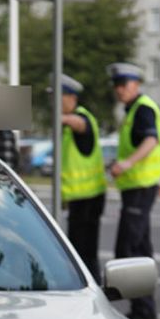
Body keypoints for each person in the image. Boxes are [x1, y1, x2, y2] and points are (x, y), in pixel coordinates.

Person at [107, 62, 160, 319]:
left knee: (128, 249)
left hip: (141, 187)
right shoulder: (135, 110)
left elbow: (153, 140)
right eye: (117, 86)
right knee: (141, 249)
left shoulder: (142, 109)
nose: (120, 90)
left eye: (124, 85)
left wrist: (127, 163)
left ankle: (141, 309)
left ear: (136, 85)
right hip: (138, 187)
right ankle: (144, 311)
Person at [56, 74, 107, 282]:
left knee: (84, 253)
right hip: (80, 199)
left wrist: (62, 119)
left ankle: (92, 290)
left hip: (89, 198)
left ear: (70, 98)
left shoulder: (82, 118)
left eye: (58, 98)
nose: (55, 104)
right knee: (79, 251)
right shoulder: (68, 127)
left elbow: (79, 124)